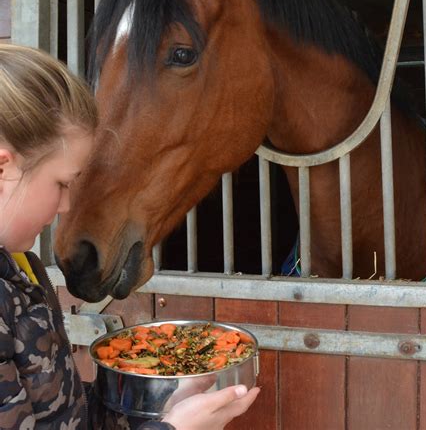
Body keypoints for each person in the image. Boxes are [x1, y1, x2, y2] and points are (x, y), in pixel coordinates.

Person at [0, 43, 260, 430]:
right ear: (4, 166)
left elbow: (61, 416)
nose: (66, 205)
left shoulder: (21, 269)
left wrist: (162, 402)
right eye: (62, 183)